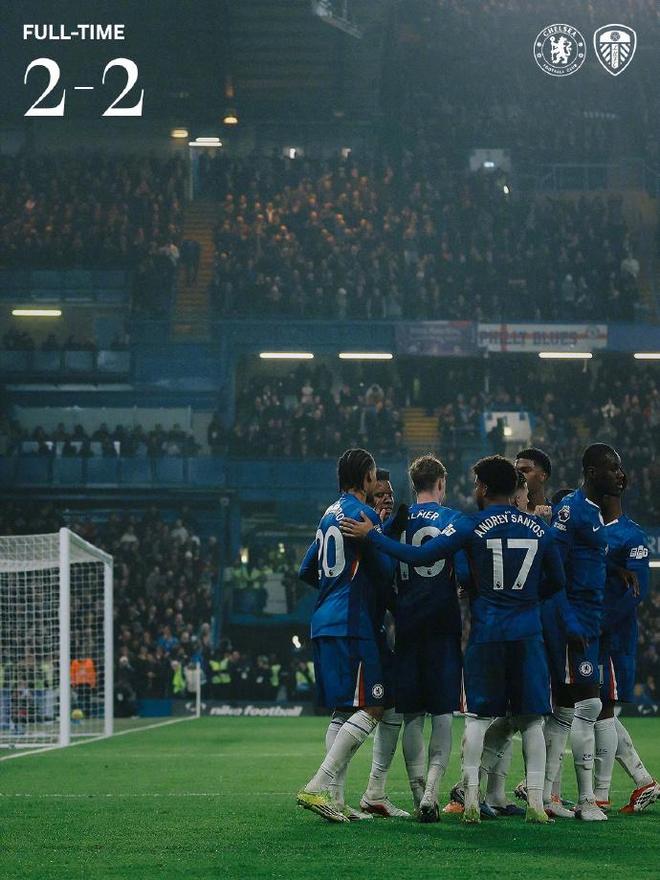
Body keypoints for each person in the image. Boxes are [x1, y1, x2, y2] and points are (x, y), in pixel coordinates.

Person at [341, 455, 576, 825]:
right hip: (516, 631)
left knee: (468, 718)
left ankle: (459, 800)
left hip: (467, 631)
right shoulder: (533, 528)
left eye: (477, 484)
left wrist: (374, 536)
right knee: (530, 719)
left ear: (484, 487)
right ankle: (536, 801)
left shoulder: (468, 525)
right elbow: (557, 581)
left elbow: (419, 555)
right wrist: (524, 596)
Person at [296, 449, 396, 824]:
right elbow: (386, 571)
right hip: (351, 623)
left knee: (343, 709)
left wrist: (333, 586)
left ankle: (336, 800)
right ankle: (317, 785)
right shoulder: (364, 515)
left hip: (324, 619)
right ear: (368, 477)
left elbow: (306, 569)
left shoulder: (328, 514)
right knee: (374, 706)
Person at [540, 443, 627, 821]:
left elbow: (588, 560)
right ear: (592, 473)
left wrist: (615, 570)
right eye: (613, 468)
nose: (620, 474)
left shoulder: (593, 512)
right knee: (588, 706)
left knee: (563, 711)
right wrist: (570, 622)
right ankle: (587, 800)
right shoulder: (570, 511)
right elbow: (553, 571)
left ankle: (549, 795)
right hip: (574, 622)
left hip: (590, 621)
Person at [390, 455, 463, 823]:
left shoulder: (397, 523)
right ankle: (432, 792)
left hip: (407, 626)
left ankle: (419, 793)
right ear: (441, 483)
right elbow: (463, 575)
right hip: (443, 626)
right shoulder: (452, 520)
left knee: (413, 718)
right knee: (443, 714)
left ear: (413, 484)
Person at [594, 475, 658, 813]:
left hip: (612, 639)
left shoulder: (632, 535)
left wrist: (597, 623)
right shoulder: (589, 528)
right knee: (589, 708)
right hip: (590, 634)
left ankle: (600, 794)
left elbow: (637, 592)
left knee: (601, 708)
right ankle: (643, 781)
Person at [360, 468, 409, 819]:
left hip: (375, 630)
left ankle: (375, 792)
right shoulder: (361, 532)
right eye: (380, 495)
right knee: (353, 709)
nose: (388, 500)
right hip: (358, 629)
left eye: (390, 494)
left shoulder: (382, 534)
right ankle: (329, 790)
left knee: (393, 706)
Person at [514, 447, 552, 519]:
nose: (518, 475)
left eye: (525, 470)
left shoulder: (558, 515)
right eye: (515, 471)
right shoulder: (507, 515)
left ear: (542, 476)